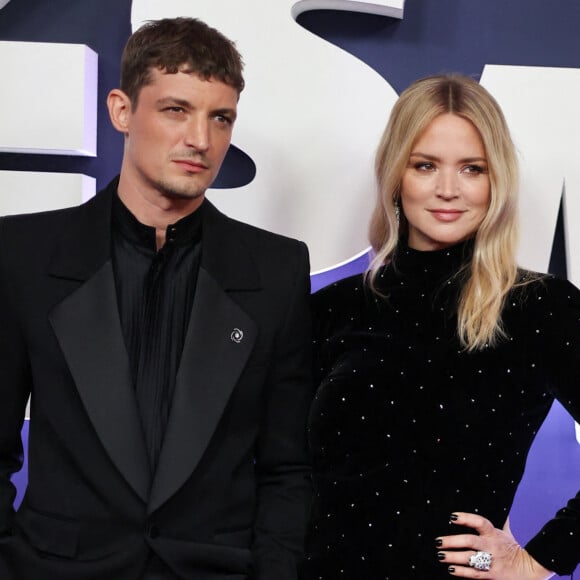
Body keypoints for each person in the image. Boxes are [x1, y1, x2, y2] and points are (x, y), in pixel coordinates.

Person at [0, 17, 312, 580]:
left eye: (221, 118)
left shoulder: (277, 270)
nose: (201, 139)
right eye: (176, 110)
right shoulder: (23, 254)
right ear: (122, 111)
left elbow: (287, 468)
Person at [304, 74, 580, 579]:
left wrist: (537, 561)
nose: (448, 189)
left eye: (471, 169)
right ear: (395, 174)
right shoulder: (333, 309)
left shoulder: (540, 308)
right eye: (425, 165)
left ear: (495, 179)